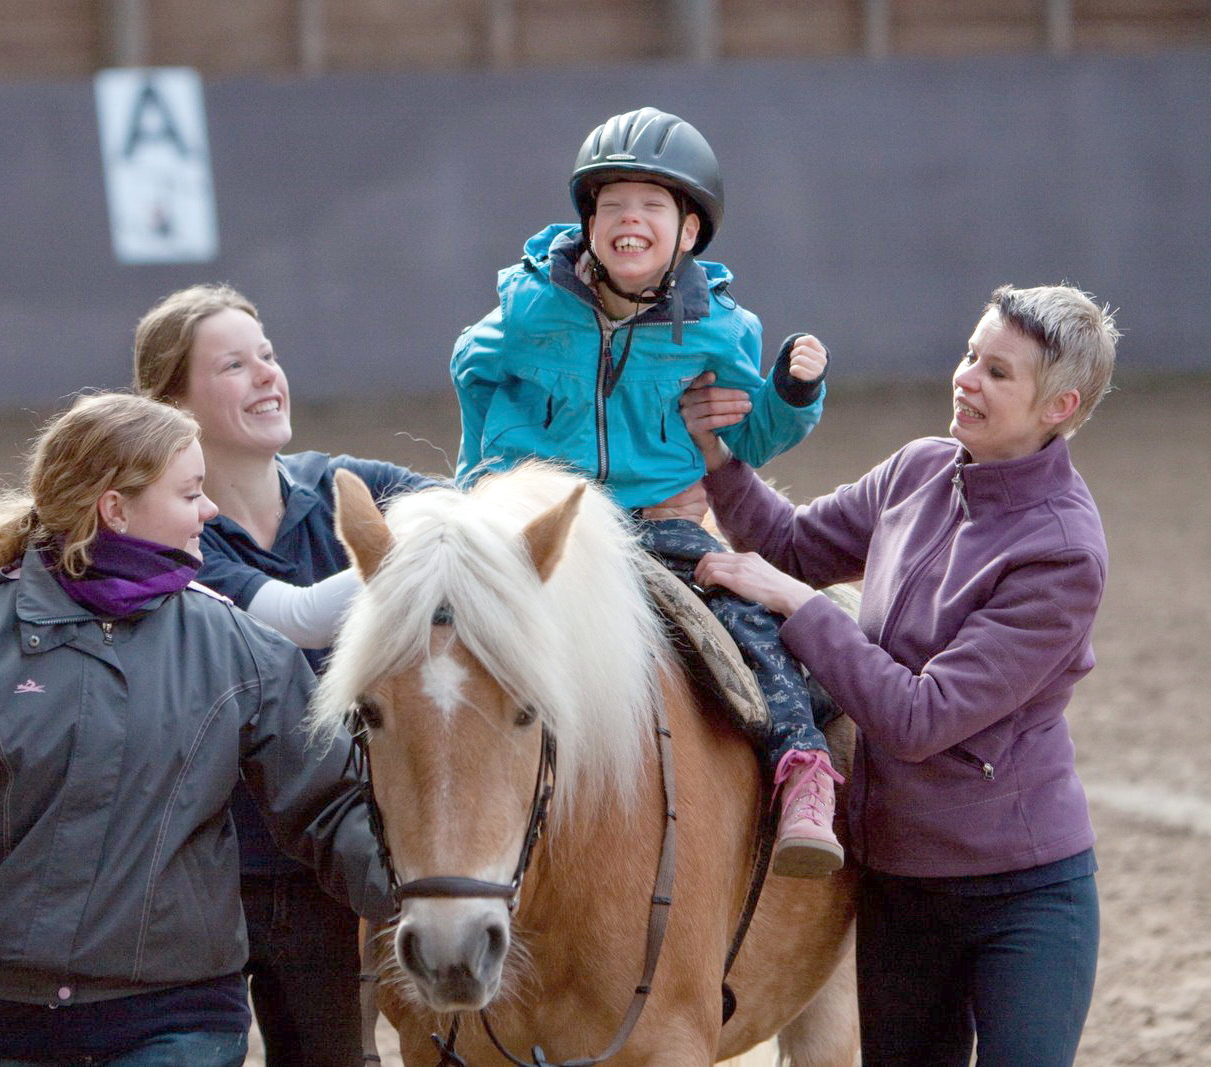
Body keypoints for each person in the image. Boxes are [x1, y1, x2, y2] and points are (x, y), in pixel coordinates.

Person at [0, 392, 390, 1065]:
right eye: (190, 492)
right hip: (1, 1023)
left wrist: (442, 903)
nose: (210, 509)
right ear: (115, 507)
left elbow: (331, 806)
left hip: (178, 1019)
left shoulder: (241, 650)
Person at [684, 284, 1117, 1066]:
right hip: (898, 886)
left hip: (1022, 899)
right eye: (970, 356)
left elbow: (920, 717)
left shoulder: (1062, 553)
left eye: (998, 372)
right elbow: (792, 545)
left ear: (1061, 405)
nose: (967, 378)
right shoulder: (920, 467)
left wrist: (794, 605)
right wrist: (717, 457)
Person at [450, 105, 842, 875]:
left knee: (748, 624)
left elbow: (747, 440)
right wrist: (481, 485)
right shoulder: (527, 310)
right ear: (589, 221)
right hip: (543, 525)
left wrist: (792, 395)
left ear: (689, 232)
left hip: (659, 524)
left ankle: (804, 773)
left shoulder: (720, 331)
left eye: (652, 206)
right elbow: (471, 369)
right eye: (613, 204)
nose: (631, 219)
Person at [132, 284, 436, 1066]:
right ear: (175, 405)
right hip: (203, 871)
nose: (268, 375)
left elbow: (463, 512)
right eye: (234, 364)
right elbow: (293, 618)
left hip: (324, 861)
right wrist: (412, 559)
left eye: (267, 355)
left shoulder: (343, 482)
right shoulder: (179, 535)